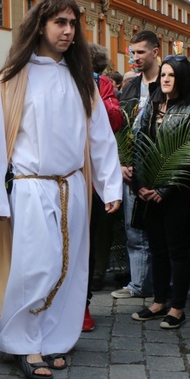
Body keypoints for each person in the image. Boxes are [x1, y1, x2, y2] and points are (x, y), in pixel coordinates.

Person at [0, 0, 122, 379]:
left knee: (69, 267)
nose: (68, 31)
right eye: (60, 23)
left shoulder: (82, 79)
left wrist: (109, 185)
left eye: (72, 24)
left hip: (74, 187)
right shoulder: (15, 79)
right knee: (36, 267)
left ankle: (53, 338)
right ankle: (22, 341)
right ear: (40, 26)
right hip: (33, 188)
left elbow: (99, 137)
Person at [129, 55, 190, 329]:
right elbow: (138, 144)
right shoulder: (153, 106)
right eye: (164, 75)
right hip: (148, 191)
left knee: (177, 252)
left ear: (182, 78)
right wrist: (139, 185)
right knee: (156, 249)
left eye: (171, 75)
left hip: (175, 194)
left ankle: (178, 307)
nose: (166, 79)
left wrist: (165, 189)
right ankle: (159, 302)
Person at [111, 30, 158, 301]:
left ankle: (165, 286)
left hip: (161, 169)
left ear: (154, 51)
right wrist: (121, 163)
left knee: (160, 234)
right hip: (131, 170)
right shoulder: (129, 87)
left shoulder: (168, 81)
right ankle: (138, 283)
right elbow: (118, 128)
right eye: (133, 52)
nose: (135, 57)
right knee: (134, 231)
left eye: (141, 52)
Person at [85, 43, 123, 331]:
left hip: (91, 172)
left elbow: (113, 124)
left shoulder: (103, 85)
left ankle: (83, 300)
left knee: (91, 234)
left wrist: (99, 97)